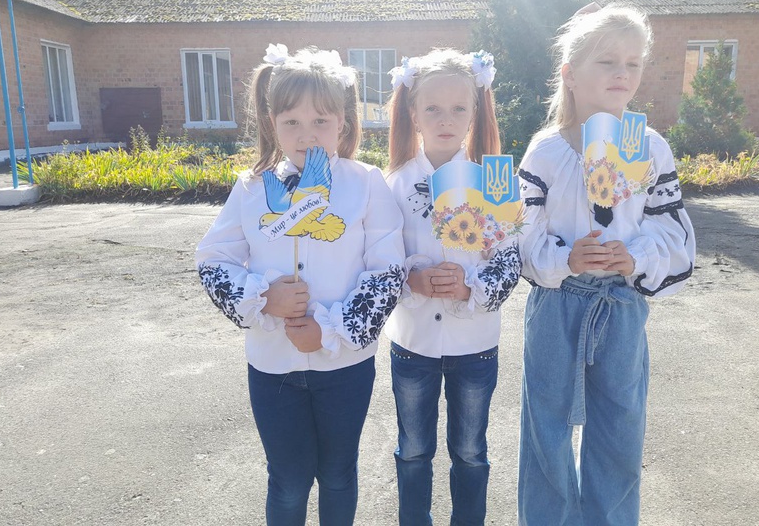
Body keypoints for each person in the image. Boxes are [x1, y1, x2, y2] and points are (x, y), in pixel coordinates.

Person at [194, 44, 406, 526]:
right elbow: (212, 260)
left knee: (338, 474)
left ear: (342, 123)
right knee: (288, 481)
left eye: (320, 121)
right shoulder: (252, 188)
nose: (306, 134)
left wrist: (331, 329)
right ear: (272, 123)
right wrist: (264, 297)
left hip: (345, 365)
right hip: (273, 366)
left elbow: (388, 271)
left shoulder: (365, 183)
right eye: (292, 121)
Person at [516, 4, 696, 525]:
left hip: (621, 306)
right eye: (607, 61)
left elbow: (672, 231)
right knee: (547, 429)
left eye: (633, 63)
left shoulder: (651, 148)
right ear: (570, 75)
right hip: (557, 305)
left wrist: (634, 256)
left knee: (619, 429)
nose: (622, 73)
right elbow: (522, 236)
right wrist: (564, 257)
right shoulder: (546, 152)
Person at [384, 48, 522, 525]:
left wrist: (469, 288)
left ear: (475, 112)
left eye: (458, 108)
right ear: (413, 113)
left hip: (475, 344)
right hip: (413, 342)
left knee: (470, 452)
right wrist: (413, 279)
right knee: (413, 450)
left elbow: (510, 261)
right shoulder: (393, 184)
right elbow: (378, 261)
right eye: (433, 108)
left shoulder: (497, 182)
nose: (446, 119)